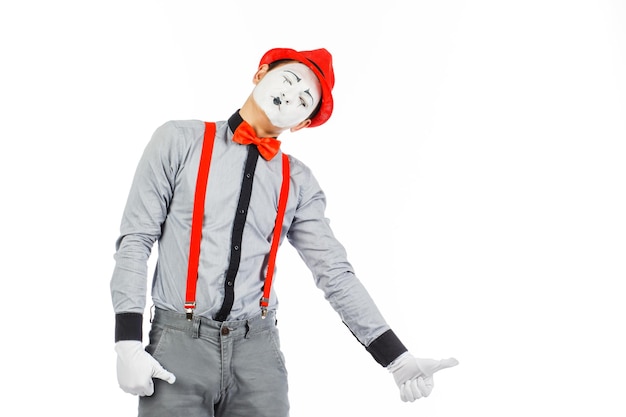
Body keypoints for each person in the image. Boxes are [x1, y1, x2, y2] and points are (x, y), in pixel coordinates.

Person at [111, 47, 458, 417]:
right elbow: (136, 239)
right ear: (260, 74)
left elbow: (335, 273)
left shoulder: (299, 182)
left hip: (257, 355)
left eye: (305, 100)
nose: (292, 95)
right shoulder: (178, 141)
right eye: (289, 80)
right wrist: (127, 342)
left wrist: (397, 358)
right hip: (177, 346)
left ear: (303, 123)